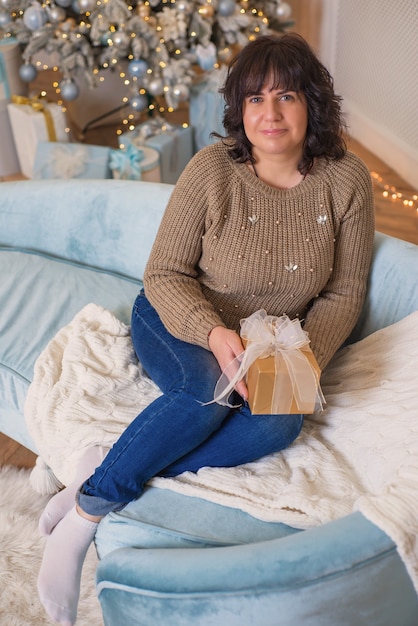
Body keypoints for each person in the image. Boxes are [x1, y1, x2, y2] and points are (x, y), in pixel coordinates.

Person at [37, 32, 375, 625]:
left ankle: (104, 465)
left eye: (287, 97)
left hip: (271, 342)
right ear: (238, 109)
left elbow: (344, 292)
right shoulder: (211, 170)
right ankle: (88, 515)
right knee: (204, 395)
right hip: (182, 318)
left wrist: (302, 357)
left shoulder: (346, 181)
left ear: (313, 105)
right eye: (254, 100)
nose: (269, 115)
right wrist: (216, 337)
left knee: (280, 425)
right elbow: (164, 274)